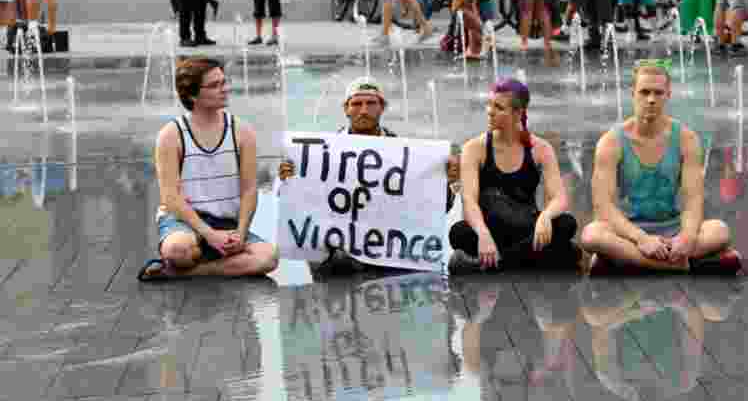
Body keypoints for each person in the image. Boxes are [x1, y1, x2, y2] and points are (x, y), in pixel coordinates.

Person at [278, 76, 461, 272]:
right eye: (356, 104)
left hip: (385, 244)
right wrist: (288, 181)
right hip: (342, 241)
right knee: (339, 261)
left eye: (371, 103)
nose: (363, 110)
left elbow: (440, 207)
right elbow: (296, 204)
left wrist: (445, 183)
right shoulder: (321, 153)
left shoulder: (407, 154)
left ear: (382, 107)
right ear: (346, 109)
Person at [579, 60, 739, 274]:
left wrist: (688, 236)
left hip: (672, 228)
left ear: (668, 94)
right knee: (591, 234)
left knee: (720, 230)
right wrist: (641, 238)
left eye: (658, 93)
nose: (651, 99)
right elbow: (603, 206)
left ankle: (629, 261)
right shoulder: (611, 142)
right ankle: (681, 264)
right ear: (632, 93)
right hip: (628, 232)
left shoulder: (686, 138)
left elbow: (693, 199)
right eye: (644, 92)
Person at [139, 57, 279, 281]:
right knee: (178, 250)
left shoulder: (243, 132)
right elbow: (170, 197)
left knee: (268, 258)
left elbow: (249, 191)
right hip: (183, 221)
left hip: (227, 223)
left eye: (224, 82)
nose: (224, 90)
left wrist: (241, 233)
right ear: (192, 95)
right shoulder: (171, 135)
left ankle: (188, 272)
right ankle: (203, 258)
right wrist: (208, 234)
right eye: (215, 85)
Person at [450, 78, 580, 272]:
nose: (490, 111)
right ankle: (531, 258)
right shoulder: (474, 148)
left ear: (518, 113)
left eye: (499, 107)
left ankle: (498, 263)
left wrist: (546, 216)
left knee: (566, 223)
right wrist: (483, 234)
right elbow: (469, 202)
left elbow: (560, 198)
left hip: (527, 224)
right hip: (491, 227)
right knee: (459, 233)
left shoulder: (540, 148)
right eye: (490, 104)